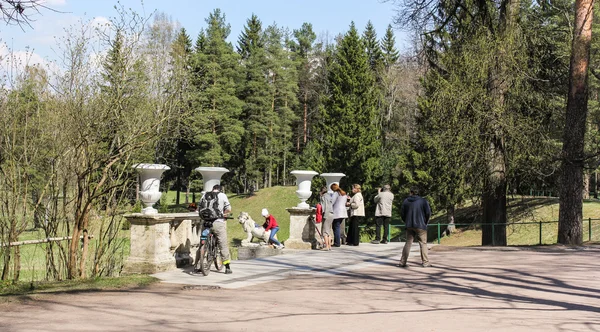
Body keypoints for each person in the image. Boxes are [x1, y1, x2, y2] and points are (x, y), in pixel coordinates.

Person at [199, 184, 233, 274]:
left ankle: (198, 264)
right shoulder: (222, 195)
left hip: (206, 222)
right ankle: (227, 267)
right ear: (220, 190)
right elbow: (229, 208)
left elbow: (199, 207)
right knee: (223, 244)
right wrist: (224, 214)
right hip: (218, 222)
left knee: (202, 241)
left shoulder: (205, 195)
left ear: (212, 189)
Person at [399, 187, 432, 268]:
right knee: (423, 243)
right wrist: (425, 222)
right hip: (421, 225)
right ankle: (425, 262)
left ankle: (402, 262)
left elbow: (402, 214)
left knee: (408, 243)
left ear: (411, 192)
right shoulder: (423, 201)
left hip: (409, 225)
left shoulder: (406, 201)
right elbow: (428, 213)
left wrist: (406, 221)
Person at [330, 183, 348, 247]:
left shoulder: (336, 194)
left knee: (336, 227)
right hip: (343, 212)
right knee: (338, 227)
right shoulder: (344, 193)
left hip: (337, 212)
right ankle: (338, 241)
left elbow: (332, 202)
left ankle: (337, 242)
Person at [319, 186, 334, 251]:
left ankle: (326, 246)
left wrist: (324, 214)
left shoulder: (323, 197)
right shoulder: (329, 196)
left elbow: (324, 206)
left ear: (321, 191)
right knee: (329, 231)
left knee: (325, 231)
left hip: (327, 214)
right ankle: (330, 246)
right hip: (331, 214)